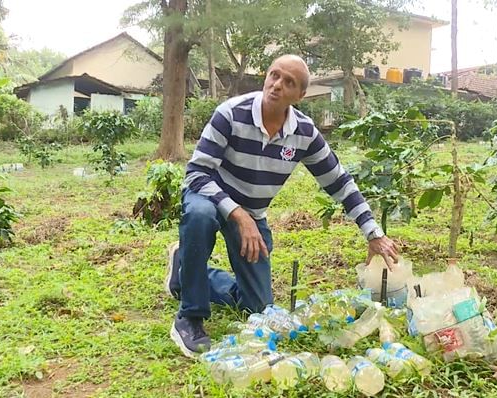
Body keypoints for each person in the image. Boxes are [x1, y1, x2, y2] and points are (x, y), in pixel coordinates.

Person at [165, 54, 399, 358]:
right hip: (211, 197)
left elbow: (339, 182)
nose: (277, 85)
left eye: (288, 82)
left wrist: (373, 233)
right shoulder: (231, 114)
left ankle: (184, 271)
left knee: (259, 307)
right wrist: (237, 213)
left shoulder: (304, 134)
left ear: (300, 95)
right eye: (274, 75)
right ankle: (191, 315)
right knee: (200, 214)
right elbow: (196, 174)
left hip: (252, 214)